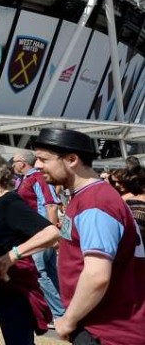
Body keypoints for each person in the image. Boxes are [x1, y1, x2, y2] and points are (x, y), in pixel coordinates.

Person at [32, 128, 145, 342]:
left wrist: (68, 320)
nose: (37, 165)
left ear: (72, 159)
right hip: (103, 326)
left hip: (108, 332)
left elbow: (96, 276)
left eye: (43, 159)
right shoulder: (88, 197)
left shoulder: (95, 203)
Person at [0, 151, 59, 345]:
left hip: (15, 290)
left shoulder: (11, 203)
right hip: (4, 288)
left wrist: (14, 254)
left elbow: (51, 233)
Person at [11, 149, 65, 322]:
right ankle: (62, 309)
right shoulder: (30, 179)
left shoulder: (37, 178)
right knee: (49, 271)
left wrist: (49, 233)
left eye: (14, 161)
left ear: (22, 163)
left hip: (39, 232)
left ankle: (59, 313)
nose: (13, 165)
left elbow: (51, 205)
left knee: (41, 273)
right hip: (39, 232)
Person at [112, 165, 145, 238]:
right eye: (114, 182)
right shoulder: (126, 200)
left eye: (120, 182)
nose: (117, 185)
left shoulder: (129, 200)